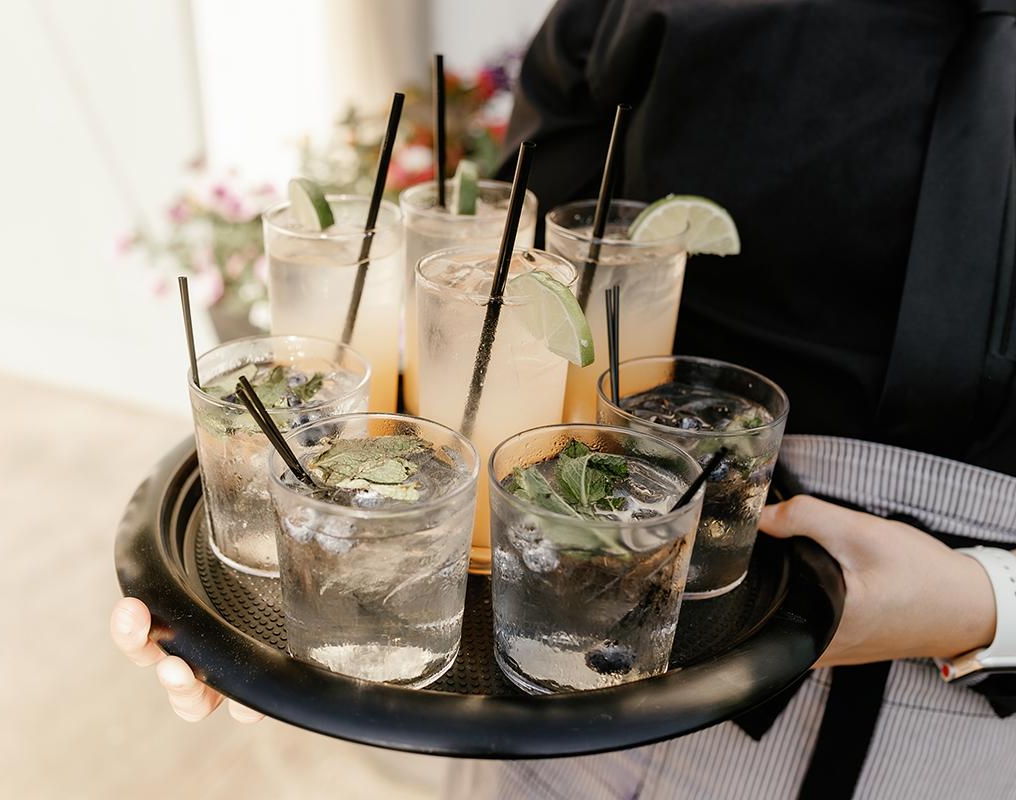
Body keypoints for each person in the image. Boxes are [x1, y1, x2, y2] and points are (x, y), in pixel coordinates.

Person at [112, 0, 1016, 796]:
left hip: (946, 709)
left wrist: (988, 602)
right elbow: (514, 268)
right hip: (570, 573)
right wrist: (325, 610)